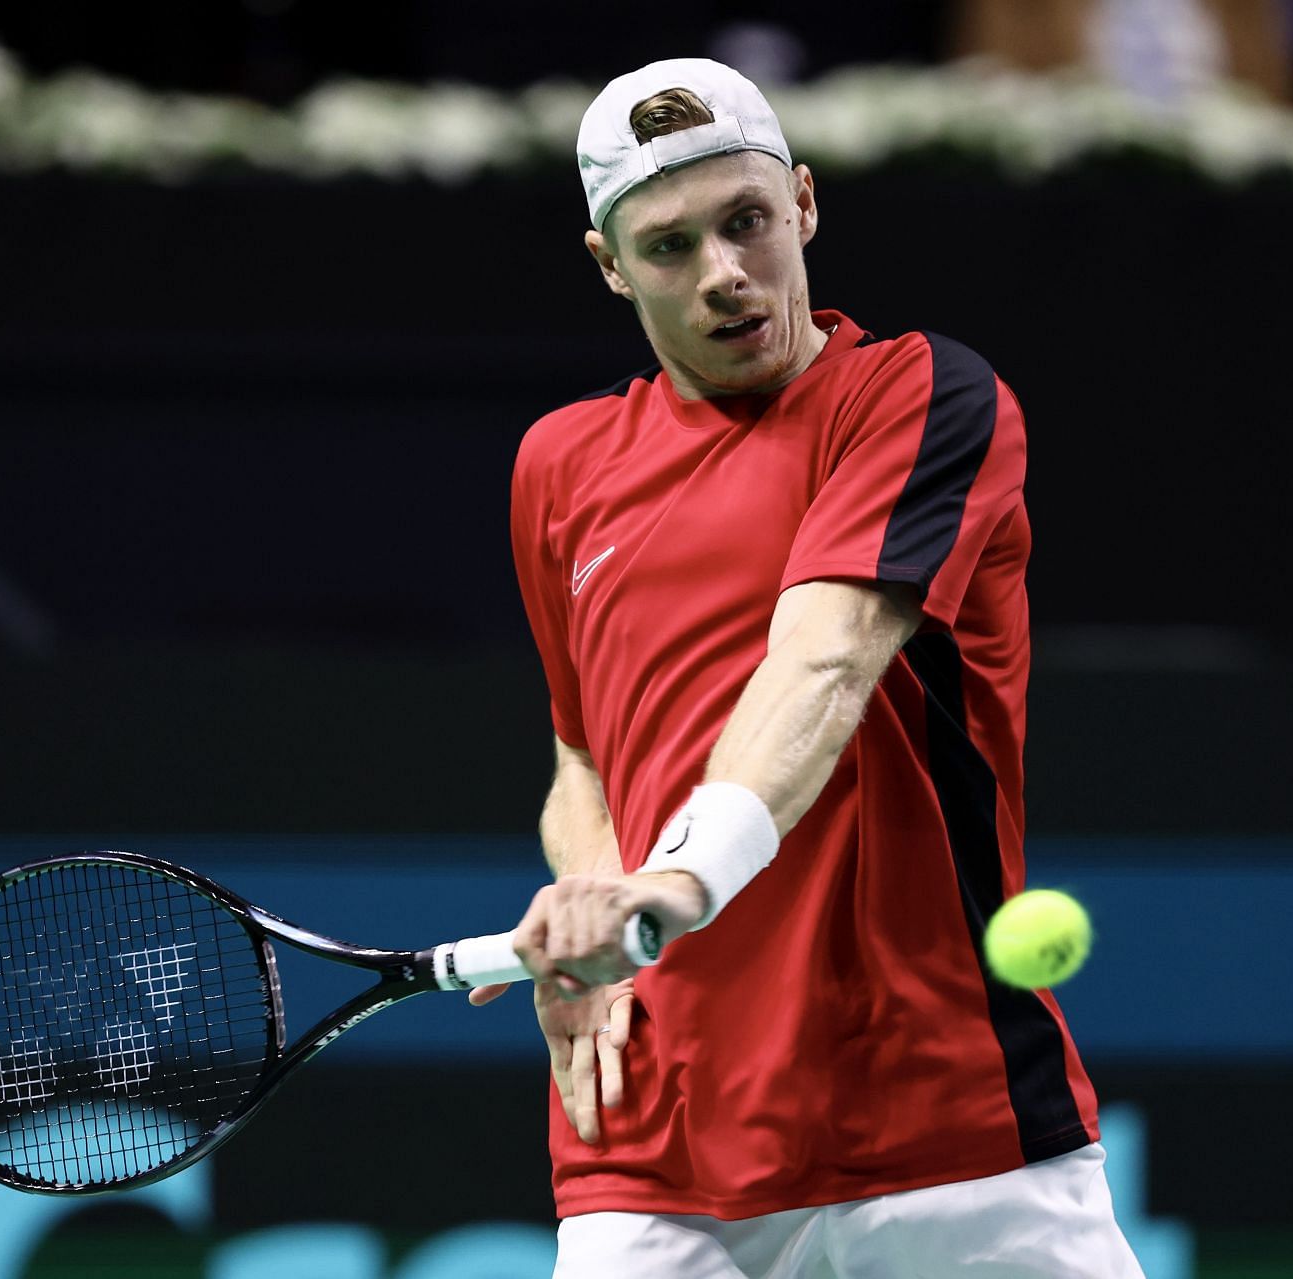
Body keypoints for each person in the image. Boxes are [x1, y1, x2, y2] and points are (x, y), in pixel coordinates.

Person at [467, 57, 1145, 1278]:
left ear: (807, 207)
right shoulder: (558, 466)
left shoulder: (921, 393)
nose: (725, 272)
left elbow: (827, 659)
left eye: (749, 221)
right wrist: (591, 906)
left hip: (949, 1131)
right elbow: (584, 754)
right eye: (670, 247)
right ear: (610, 266)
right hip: (650, 1149)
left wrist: (671, 887)